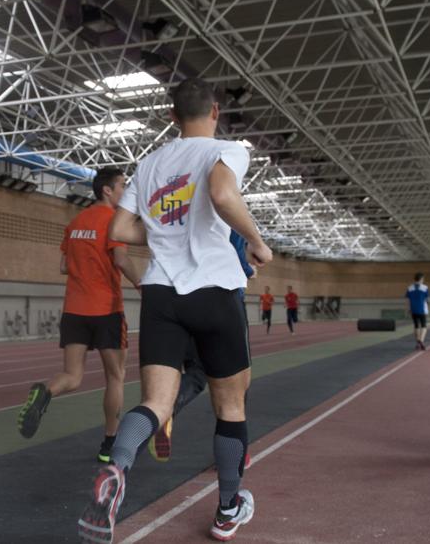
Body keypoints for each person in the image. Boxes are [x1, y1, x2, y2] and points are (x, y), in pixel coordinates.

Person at [77, 78, 271, 543]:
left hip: (162, 293)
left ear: (171, 117)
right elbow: (223, 196)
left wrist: (166, 235)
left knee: (154, 402)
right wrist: (260, 243)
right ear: (216, 111)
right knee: (231, 404)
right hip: (214, 289)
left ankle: (117, 468)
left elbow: (121, 230)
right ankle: (227, 511)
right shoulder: (225, 150)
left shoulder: (148, 165)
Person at [17, 167, 141, 463]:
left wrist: (86, 263)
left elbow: (64, 265)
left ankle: (45, 391)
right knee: (116, 376)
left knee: (72, 376)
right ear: (107, 190)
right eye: (123, 185)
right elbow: (121, 258)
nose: (126, 190)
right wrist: (141, 284)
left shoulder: (75, 223)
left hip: (74, 310)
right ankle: (109, 444)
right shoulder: (114, 221)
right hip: (106, 309)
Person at [146, 230, 257, 465]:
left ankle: (164, 410)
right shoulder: (225, 203)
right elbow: (235, 252)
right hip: (223, 300)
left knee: (195, 373)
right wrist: (249, 269)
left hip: (173, 297)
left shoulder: (179, 204)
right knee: (236, 385)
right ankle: (233, 453)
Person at [406, 273, 430, 351]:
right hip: (422, 309)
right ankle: (421, 340)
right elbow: (428, 299)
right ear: (421, 279)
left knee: (416, 325)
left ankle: (417, 342)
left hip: (413, 309)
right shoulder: (425, 288)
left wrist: (409, 309)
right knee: (424, 326)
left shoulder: (409, 288)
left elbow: (408, 300)